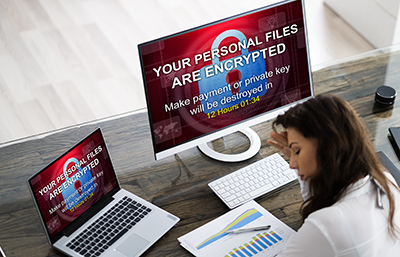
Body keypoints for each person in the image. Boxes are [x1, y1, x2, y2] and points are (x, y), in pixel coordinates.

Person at [267, 94, 400, 256]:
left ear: (327, 149)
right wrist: (299, 158)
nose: (291, 164)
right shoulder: (384, 180)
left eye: (297, 151)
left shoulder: (327, 224)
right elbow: (320, 198)